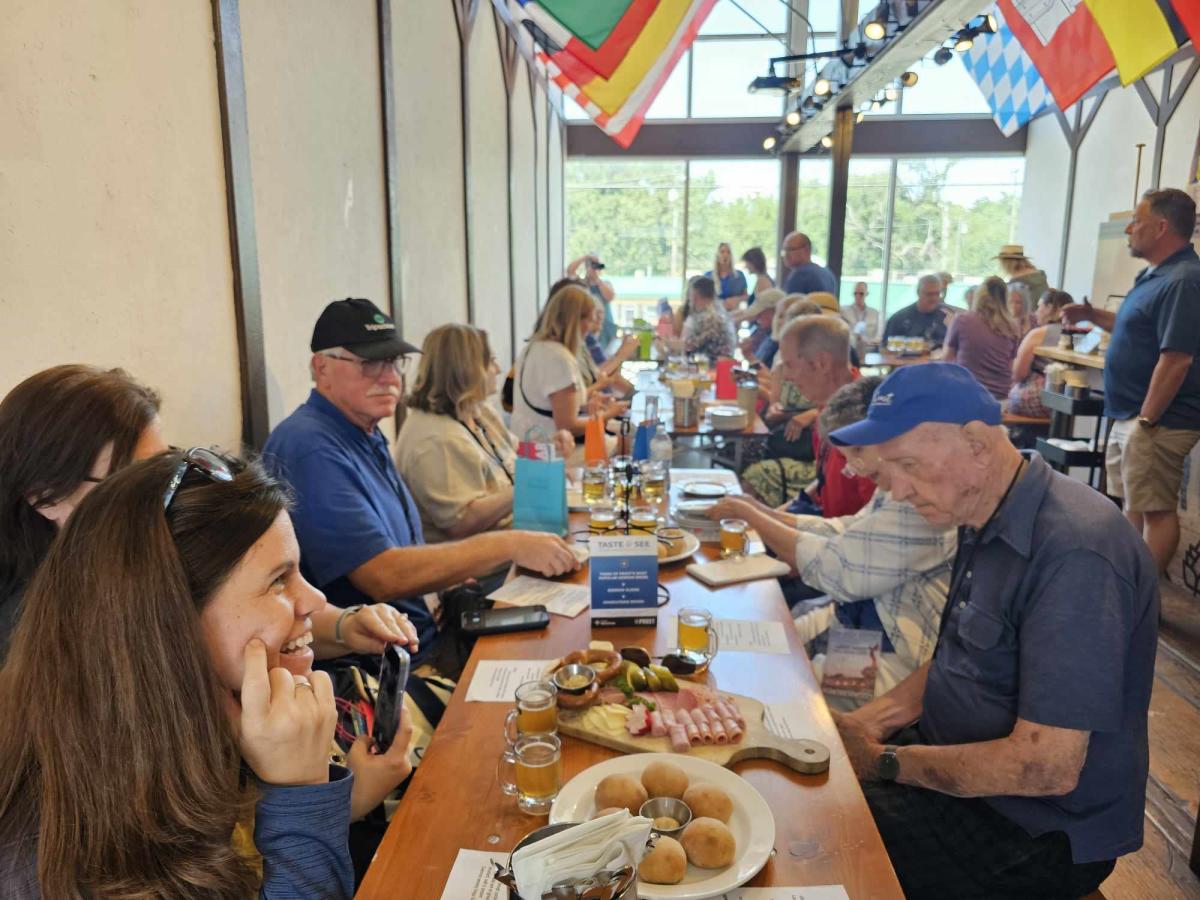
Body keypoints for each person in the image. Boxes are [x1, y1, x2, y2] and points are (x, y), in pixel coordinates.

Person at [827, 363, 1157, 900]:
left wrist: (886, 762)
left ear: (977, 443)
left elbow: (1045, 767)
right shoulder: (983, 509)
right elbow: (960, 657)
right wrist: (864, 724)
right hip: (955, 768)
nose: (900, 489)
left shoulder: (1076, 551)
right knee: (808, 792)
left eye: (909, 464)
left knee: (822, 844)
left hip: (1032, 827)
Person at [0, 451, 362, 897]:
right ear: (169, 623)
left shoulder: (188, 736)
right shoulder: (67, 854)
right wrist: (300, 795)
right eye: (278, 581)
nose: (315, 601)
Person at [263, 297, 581, 674]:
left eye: (394, 362)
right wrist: (510, 544)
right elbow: (384, 575)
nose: (389, 377)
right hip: (390, 665)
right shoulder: (311, 447)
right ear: (322, 368)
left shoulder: (361, 429)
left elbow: (405, 546)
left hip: (427, 630)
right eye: (369, 363)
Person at [707, 376, 952, 707]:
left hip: (896, 655)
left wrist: (754, 516)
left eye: (858, 451)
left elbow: (837, 569)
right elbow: (847, 529)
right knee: (752, 647)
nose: (852, 468)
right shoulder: (898, 486)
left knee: (768, 690)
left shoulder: (921, 499)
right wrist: (762, 512)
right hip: (860, 624)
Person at [1062, 187, 1200, 573]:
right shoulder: (1154, 275)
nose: (1129, 230)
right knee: (1131, 504)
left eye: (1135, 222)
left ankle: (1139, 598)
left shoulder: (1185, 280)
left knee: (1155, 509)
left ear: (1160, 227)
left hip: (1158, 420)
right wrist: (1092, 314)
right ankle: (1121, 583)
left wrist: (1147, 421)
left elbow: (1177, 359)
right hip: (1133, 415)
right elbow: (1133, 324)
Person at [0, 365, 166, 659]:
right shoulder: (34, 635)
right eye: (128, 480)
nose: (160, 497)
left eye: (164, 469)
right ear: (43, 497)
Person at [397, 324, 573, 551]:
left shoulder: (477, 409)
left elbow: (514, 452)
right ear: (467, 369)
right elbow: (460, 524)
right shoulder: (436, 439)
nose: (499, 369)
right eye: (491, 361)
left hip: (521, 534)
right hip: (484, 568)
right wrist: (529, 484)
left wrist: (549, 448)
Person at [745, 316, 875, 518]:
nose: (786, 376)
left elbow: (871, 521)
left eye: (789, 364)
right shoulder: (829, 406)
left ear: (822, 363)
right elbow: (822, 482)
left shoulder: (865, 421)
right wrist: (773, 516)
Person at [511, 285, 627, 451]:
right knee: (624, 445)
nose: (591, 327)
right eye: (589, 320)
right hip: (550, 450)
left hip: (529, 445)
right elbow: (568, 425)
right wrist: (609, 414)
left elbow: (552, 404)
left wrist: (587, 403)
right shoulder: (559, 358)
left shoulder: (534, 348)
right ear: (576, 320)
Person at [940, 276, 1021, 401]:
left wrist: (951, 328)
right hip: (1000, 398)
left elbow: (946, 360)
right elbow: (1011, 368)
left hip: (967, 394)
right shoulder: (1012, 327)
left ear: (978, 297)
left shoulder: (963, 320)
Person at [1008, 289, 1076, 417]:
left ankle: (1017, 435)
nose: (1036, 312)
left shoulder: (1038, 334)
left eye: (1039, 306)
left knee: (1007, 397)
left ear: (1049, 308)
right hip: (1069, 397)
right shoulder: (1079, 334)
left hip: (1042, 395)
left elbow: (1018, 374)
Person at [661, 276, 735, 363]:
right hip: (712, 363)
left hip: (711, 367)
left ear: (694, 295)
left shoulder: (709, 317)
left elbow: (689, 345)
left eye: (690, 294)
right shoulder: (717, 310)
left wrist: (666, 343)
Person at [883, 274, 949, 349]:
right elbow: (885, 348)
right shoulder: (899, 319)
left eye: (937, 294)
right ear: (918, 293)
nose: (934, 298)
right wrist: (917, 346)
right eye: (929, 294)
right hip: (908, 360)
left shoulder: (947, 317)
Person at [565, 253, 617, 347]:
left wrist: (597, 280)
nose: (595, 269)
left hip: (604, 326)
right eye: (592, 266)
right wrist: (586, 257)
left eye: (597, 266)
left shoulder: (605, 283)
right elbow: (570, 271)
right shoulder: (582, 284)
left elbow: (610, 297)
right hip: (587, 325)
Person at [996, 244, 1049, 316]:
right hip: (1043, 317)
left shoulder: (1015, 283)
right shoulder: (1039, 275)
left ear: (1006, 263)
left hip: (1027, 320)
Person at [738, 287, 784, 368]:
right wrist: (748, 355)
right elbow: (759, 371)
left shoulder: (781, 343)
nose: (757, 319)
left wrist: (749, 356)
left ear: (775, 312)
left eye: (760, 314)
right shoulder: (768, 335)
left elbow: (769, 377)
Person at [782, 231, 838, 296]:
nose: (786, 254)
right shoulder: (827, 273)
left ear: (806, 250)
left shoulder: (799, 275)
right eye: (784, 250)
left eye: (790, 249)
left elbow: (791, 304)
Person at [841, 281, 880, 360]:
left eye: (861, 294)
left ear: (867, 294)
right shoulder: (844, 311)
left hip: (869, 351)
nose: (858, 296)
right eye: (855, 293)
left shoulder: (874, 313)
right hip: (849, 352)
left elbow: (879, 336)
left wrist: (869, 341)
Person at [705, 242, 749, 312]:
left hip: (734, 313)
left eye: (728, 252)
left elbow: (746, 296)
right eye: (722, 252)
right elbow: (703, 298)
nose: (725, 255)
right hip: (714, 313)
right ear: (717, 255)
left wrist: (736, 299)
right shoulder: (708, 276)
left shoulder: (739, 276)